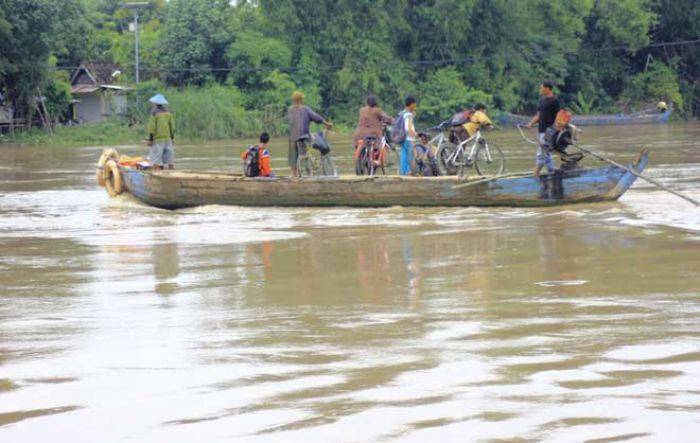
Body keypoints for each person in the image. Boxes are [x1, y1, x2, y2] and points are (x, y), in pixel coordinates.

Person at [288, 91, 332, 177]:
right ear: (301, 99)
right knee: (305, 156)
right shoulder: (305, 109)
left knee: (293, 158)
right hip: (303, 136)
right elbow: (316, 118)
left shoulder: (290, 110)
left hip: (292, 137)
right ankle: (308, 174)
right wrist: (327, 123)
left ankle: (294, 175)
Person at [526, 80, 562, 177]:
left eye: (541, 87)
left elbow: (559, 116)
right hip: (541, 130)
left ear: (547, 88)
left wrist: (556, 128)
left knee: (541, 153)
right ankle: (551, 171)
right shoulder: (542, 100)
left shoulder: (555, 101)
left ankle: (536, 173)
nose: (540, 89)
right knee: (546, 153)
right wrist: (530, 124)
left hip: (549, 131)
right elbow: (538, 115)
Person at [147, 94, 175, 170]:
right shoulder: (168, 112)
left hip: (158, 138)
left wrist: (150, 139)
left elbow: (152, 127)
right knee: (170, 159)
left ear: (155, 103)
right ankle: (172, 172)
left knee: (155, 158)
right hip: (168, 138)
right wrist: (172, 138)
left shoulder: (154, 112)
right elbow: (172, 126)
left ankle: (153, 173)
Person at [399, 96, 417, 176]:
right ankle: (410, 172)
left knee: (404, 155)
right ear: (411, 104)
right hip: (409, 138)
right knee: (411, 155)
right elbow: (408, 126)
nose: (415, 106)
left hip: (403, 137)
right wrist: (414, 134)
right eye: (414, 104)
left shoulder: (403, 112)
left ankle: (403, 172)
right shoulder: (408, 114)